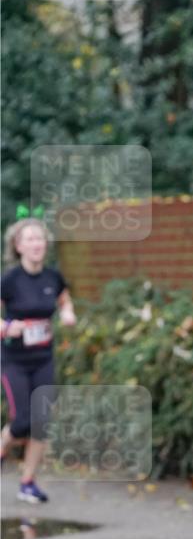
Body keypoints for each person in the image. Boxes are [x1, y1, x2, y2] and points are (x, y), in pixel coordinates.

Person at [1, 212, 76, 502]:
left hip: (43, 358)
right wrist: (8, 327)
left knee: (41, 421)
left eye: (40, 238)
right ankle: (3, 446)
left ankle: (28, 482)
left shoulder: (52, 276)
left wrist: (68, 312)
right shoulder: (9, 280)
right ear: (18, 245)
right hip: (13, 360)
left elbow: (64, 298)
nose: (37, 243)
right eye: (30, 239)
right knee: (22, 422)